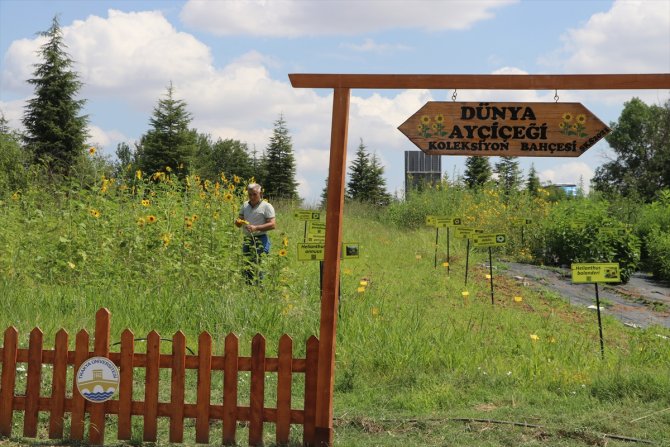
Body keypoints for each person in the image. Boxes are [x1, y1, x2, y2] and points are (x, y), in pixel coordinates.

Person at [235, 183, 276, 284]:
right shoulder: (245, 205)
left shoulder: (267, 206)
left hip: (261, 239)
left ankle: (259, 290)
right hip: (248, 239)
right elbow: (239, 221)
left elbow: (272, 224)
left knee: (258, 265)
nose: (252, 197)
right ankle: (248, 290)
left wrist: (256, 228)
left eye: (255, 194)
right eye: (250, 194)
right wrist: (238, 222)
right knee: (246, 266)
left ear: (260, 193)